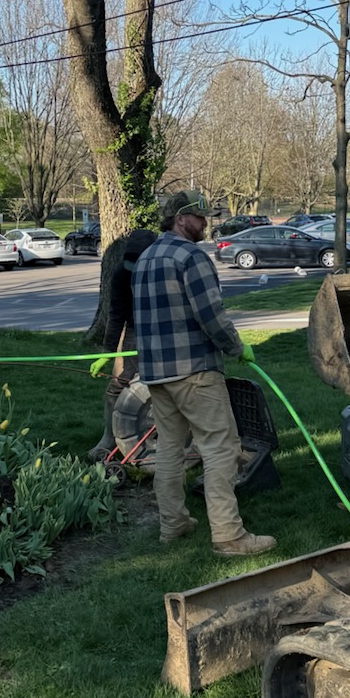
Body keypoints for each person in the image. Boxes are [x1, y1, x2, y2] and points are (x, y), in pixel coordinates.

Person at [131, 189, 275, 558]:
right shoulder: (191, 257)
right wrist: (236, 346)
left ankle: (173, 524)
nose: (205, 223)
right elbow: (211, 314)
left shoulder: (147, 257)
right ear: (180, 219)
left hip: (156, 374)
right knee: (220, 447)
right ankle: (229, 536)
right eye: (199, 217)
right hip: (195, 371)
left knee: (168, 449)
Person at [87, 227, 158, 462]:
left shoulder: (162, 271)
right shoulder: (121, 273)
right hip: (134, 331)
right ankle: (109, 439)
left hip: (165, 331)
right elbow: (116, 315)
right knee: (117, 386)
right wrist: (107, 353)